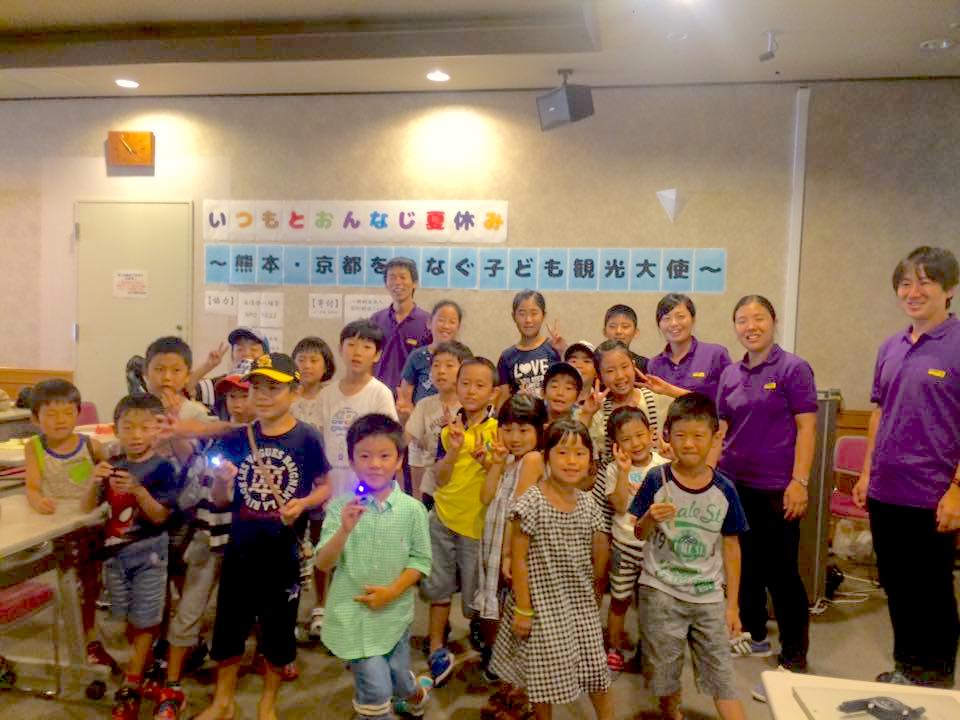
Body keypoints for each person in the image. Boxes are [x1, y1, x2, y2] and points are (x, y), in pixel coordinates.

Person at [194, 353, 331, 720]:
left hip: (282, 552)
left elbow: (325, 486)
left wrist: (303, 503)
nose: (263, 396)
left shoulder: (307, 437)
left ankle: (267, 703)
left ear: (295, 392)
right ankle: (223, 701)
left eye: (274, 387)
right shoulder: (240, 437)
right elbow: (222, 500)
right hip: (240, 549)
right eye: (256, 388)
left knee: (277, 632)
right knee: (229, 627)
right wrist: (221, 482)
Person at [853, 246, 960, 688]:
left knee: (931, 590)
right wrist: (866, 473)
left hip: (933, 492)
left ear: (949, 289)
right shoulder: (890, 347)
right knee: (896, 585)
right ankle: (905, 667)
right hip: (885, 489)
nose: (913, 292)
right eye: (905, 283)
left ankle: (936, 680)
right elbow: (879, 411)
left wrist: (957, 489)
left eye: (924, 282)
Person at [715, 295, 817, 698]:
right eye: (742, 320)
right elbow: (722, 429)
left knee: (782, 573)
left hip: (778, 487)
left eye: (758, 318)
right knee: (746, 566)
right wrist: (709, 477)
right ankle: (755, 635)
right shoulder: (730, 373)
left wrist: (799, 481)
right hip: (735, 485)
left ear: (773, 322)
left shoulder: (793, 368)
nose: (750, 326)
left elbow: (807, 429)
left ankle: (794, 657)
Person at [630, 393, 748, 720]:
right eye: (680, 435)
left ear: (715, 437)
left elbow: (732, 546)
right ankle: (672, 713)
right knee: (665, 674)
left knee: (722, 675)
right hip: (660, 590)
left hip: (708, 595)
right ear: (667, 435)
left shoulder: (724, 489)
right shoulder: (656, 479)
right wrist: (650, 517)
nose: (689, 444)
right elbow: (639, 532)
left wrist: (733, 605)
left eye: (698, 435)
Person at [489, 418, 613, 720]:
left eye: (580, 454)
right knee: (543, 677)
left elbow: (599, 556)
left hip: (579, 603)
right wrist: (523, 609)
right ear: (546, 457)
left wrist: (596, 594)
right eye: (562, 453)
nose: (571, 461)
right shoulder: (531, 501)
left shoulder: (588, 504)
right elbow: (519, 559)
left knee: (596, 670)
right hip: (542, 605)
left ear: (590, 461)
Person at [316, 414, 434, 720]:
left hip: (394, 615)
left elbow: (421, 561)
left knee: (398, 677)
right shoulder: (341, 508)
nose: (375, 464)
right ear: (352, 460)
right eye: (365, 456)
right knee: (376, 691)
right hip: (353, 617)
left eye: (384, 456)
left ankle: (415, 694)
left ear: (399, 460)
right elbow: (323, 563)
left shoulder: (413, 510)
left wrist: (392, 592)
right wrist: (343, 531)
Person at [156, 375, 255, 719]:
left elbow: (230, 428)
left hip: (243, 540)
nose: (238, 403)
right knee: (190, 607)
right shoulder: (214, 439)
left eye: (245, 395)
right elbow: (194, 455)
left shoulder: (258, 438)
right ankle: (172, 683)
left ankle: (260, 662)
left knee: (247, 609)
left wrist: (189, 429)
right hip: (205, 535)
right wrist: (178, 431)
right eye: (232, 397)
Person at [83, 394, 180, 720]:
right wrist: (93, 481)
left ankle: (132, 682)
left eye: (145, 427)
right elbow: (88, 508)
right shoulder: (113, 464)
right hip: (114, 555)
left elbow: (161, 516)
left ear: (157, 430)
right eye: (128, 427)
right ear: (116, 430)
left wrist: (138, 490)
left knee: (146, 618)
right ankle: (147, 670)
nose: (136, 435)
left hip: (149, 553)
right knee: (125, 619)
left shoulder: (163, 467)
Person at [24, 379, 116, 672]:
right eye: (50, 414)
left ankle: (89, 636)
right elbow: (32, 487)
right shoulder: (34, 448)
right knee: (69, 582)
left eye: (67, 413)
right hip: (60, 527)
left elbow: (112, 478)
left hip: (91, 523)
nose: (60, 420)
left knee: (91, 582)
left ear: (78, 414)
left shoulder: (91, 445)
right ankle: (81, 635)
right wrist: (38, 500)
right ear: (35, 419)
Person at [421, 357, 499, 686]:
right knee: (438, 587)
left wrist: (487, 461)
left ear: (493, 393)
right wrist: (453, 450)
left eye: (480, 385)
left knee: (475, 597)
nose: (471, 391)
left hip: (477, 525)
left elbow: (501, 478)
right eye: (465, 383)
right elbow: (440, 478)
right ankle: (436, 646)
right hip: (442, 517)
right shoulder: (448, 429)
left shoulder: (498, 431)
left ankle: (488, 645)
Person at [475, 395, 547, 674]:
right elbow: (485, 497)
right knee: (500, 602)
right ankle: (500, 661)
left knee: (514, 604)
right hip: (493, 541)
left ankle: (512, 666)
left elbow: (519, 512)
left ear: (539, 430)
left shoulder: (532, 459)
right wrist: (495, 463)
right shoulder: (510, 459)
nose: (515, 437)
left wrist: (508, 554)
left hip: (511, 546)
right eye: (507, 429)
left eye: (523, 430)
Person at [603, 406, 667, 674]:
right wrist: (623, 471)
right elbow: (619, 505)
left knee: (652, 604)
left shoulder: (664, 466)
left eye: (640, 435)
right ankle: (614, 649)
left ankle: (648, 650)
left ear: (651, 434)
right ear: (616, 445)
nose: (636, 443)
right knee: (619, 600)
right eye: (626, 439)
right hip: (624, 545)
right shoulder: (613, 469)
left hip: (655, 547)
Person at [289, 335, 337, 638]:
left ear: (326, 365)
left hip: (321, 484)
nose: (307, 365)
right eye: (301, 359)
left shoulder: (331, 398)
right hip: (291, 485)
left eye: (314, 360)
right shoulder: (287, 397)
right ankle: (288, 609)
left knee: (321, 546)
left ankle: (321, 605)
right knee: (291, 550)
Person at [318, 320, 398, 497]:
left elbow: (389, 441)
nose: (357, 352)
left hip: (366, 480)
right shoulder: (326, 394)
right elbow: (320, 439)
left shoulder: (381, 393)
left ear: (377, 355)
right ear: (341, 349)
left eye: (366, 347)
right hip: (330, 479)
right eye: (351, 345)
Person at [404, 340, 472, 503]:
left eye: (449, 365)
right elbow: (406, 441)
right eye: (436, 365)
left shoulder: (471, 406)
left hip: (462, 489)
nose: (441, 371)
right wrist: (402, 418)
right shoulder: (424, 405)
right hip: (431, 489)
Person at [642, 294, 732, 401]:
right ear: (659, 325)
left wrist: (670, 391)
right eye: (666, 318)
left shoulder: (715, 354)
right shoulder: (654, 364)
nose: (674, 323)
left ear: (692, 319)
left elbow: (731, 401)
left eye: (680, 316)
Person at [370, 257, 432, 394]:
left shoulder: (428, 322)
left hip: (414, 397)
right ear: (386, 284)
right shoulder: (376, 320)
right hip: (378, 395)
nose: (397, 282)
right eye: (392, 277)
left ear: (414, 283)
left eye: (403, 277)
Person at [396, 300, 463, 420]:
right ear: (429, 323)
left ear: (458, 327)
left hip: (455, 419)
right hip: (421, 419)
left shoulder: (464, 355)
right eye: (441, 320)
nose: (446, 326)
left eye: (452, 322)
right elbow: (406, 396)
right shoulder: (417, 356)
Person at [496, 290, 563, 402]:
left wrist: (562, 352)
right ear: (513, 316)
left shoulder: (554, 349)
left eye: (534, 313)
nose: (528, 320)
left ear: (543, 315)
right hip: (520, 412)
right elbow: (503, 400)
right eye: (522, 314)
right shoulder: (506, 357)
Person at [189, 328, 269, 413]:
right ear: (232, 356)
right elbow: (186, 390)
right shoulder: (221, 384)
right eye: (240, 349)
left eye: (254, 349)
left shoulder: (270, 386)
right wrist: (208, 365)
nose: (246, 353)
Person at [603, 304, 648, 375]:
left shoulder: (645, 365)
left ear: (636, 332)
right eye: (612, 326)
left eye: (625, 326)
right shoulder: (595, 362)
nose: (618, 331)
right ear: (604, 332)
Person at [564, 341, 597, 408]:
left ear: (597, 371)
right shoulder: (554, 403)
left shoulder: (603, 404)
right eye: (573, 361)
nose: (579, 365)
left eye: (586, 361)